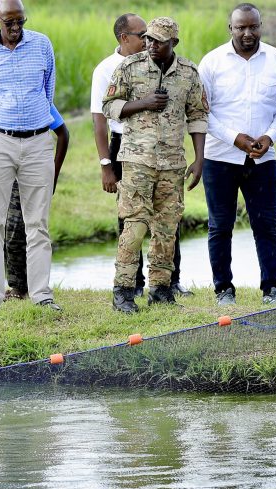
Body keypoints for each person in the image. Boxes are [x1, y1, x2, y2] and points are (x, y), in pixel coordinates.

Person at [103, 16, 208, 312]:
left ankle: (160, 289)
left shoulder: (188, 72)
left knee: (166, 227)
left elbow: (198, 115)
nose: (150, 45)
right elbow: (109, 105)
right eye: (148, 38)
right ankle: (123, 290)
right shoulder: (129, 66)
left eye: (158, 41)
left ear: (173, 43)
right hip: (136, 160)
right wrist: (143, 103)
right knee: (134, 225)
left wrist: (199, 159)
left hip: (173, 163)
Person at [199, 3, 276, 307]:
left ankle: (272, 289)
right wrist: (234, 138)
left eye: (253, 26)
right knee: (220, 225)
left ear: (261, 26)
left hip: (263, 158)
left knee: (266, 225)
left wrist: (270, 136)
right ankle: (223, 289)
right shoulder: (212, 62)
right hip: (220, 158)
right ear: (231, 29)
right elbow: (202, 112)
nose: (248, 33)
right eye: (241, 27)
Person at [0, 0, 60, 315]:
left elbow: (47, 91)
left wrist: (30, 120)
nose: (15, 28)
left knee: (38, 222)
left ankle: (41, 294)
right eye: (9, 22)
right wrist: (5, 120)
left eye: (20, 21)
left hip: (37, 141)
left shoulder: (42, 44)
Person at [92, 13, 150, 297]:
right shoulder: (106, 68)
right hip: (123, 143)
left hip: (154, 142)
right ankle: (134, 282)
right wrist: (106, 164)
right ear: (124, 38)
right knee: (129, 215)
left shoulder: (155, 60)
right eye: (142, 35)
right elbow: (99, 118)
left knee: (165, 210)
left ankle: (170, 281)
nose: (147, 40)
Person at [2, 104, 68, 300]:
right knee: (12, 231)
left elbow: (63, 134)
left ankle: (37, 288)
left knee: (36, 229)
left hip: (34, 171)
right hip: (7, 174)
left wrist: (53, 176)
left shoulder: (39, 102)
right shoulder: (1, 104)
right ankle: (17, 286)